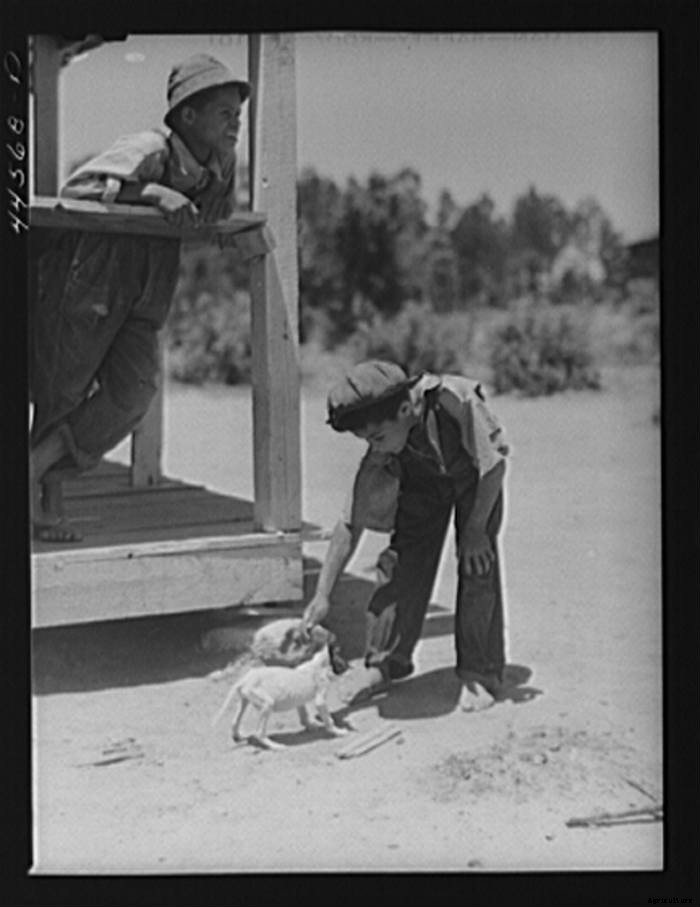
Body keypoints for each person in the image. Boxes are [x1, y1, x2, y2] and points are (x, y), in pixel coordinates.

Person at [29, 54, 251, 542]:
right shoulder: (149, 147)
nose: (236, 124)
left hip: (151, 282)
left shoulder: (221, 162)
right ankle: (43, 505)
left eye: (238, 115)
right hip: (96, 273)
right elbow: (79, 186)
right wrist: (154, 193)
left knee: (135, 390)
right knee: (62, 388)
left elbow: (216, 211)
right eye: (224, 114)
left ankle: (31, 469)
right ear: (187, 115)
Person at [302, 359, 510, 712]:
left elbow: (494, 466)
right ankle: (383, 664)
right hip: (423, 485)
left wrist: (475, 531)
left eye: (378, 437)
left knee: (477, 564)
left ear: (404, 408)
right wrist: (322, 595)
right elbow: (350, 523)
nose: (376, 447)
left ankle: (479, 673)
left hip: (476, 482)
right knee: (399, 567)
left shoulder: (453, 399)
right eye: (368, 441)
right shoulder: (384, 445)